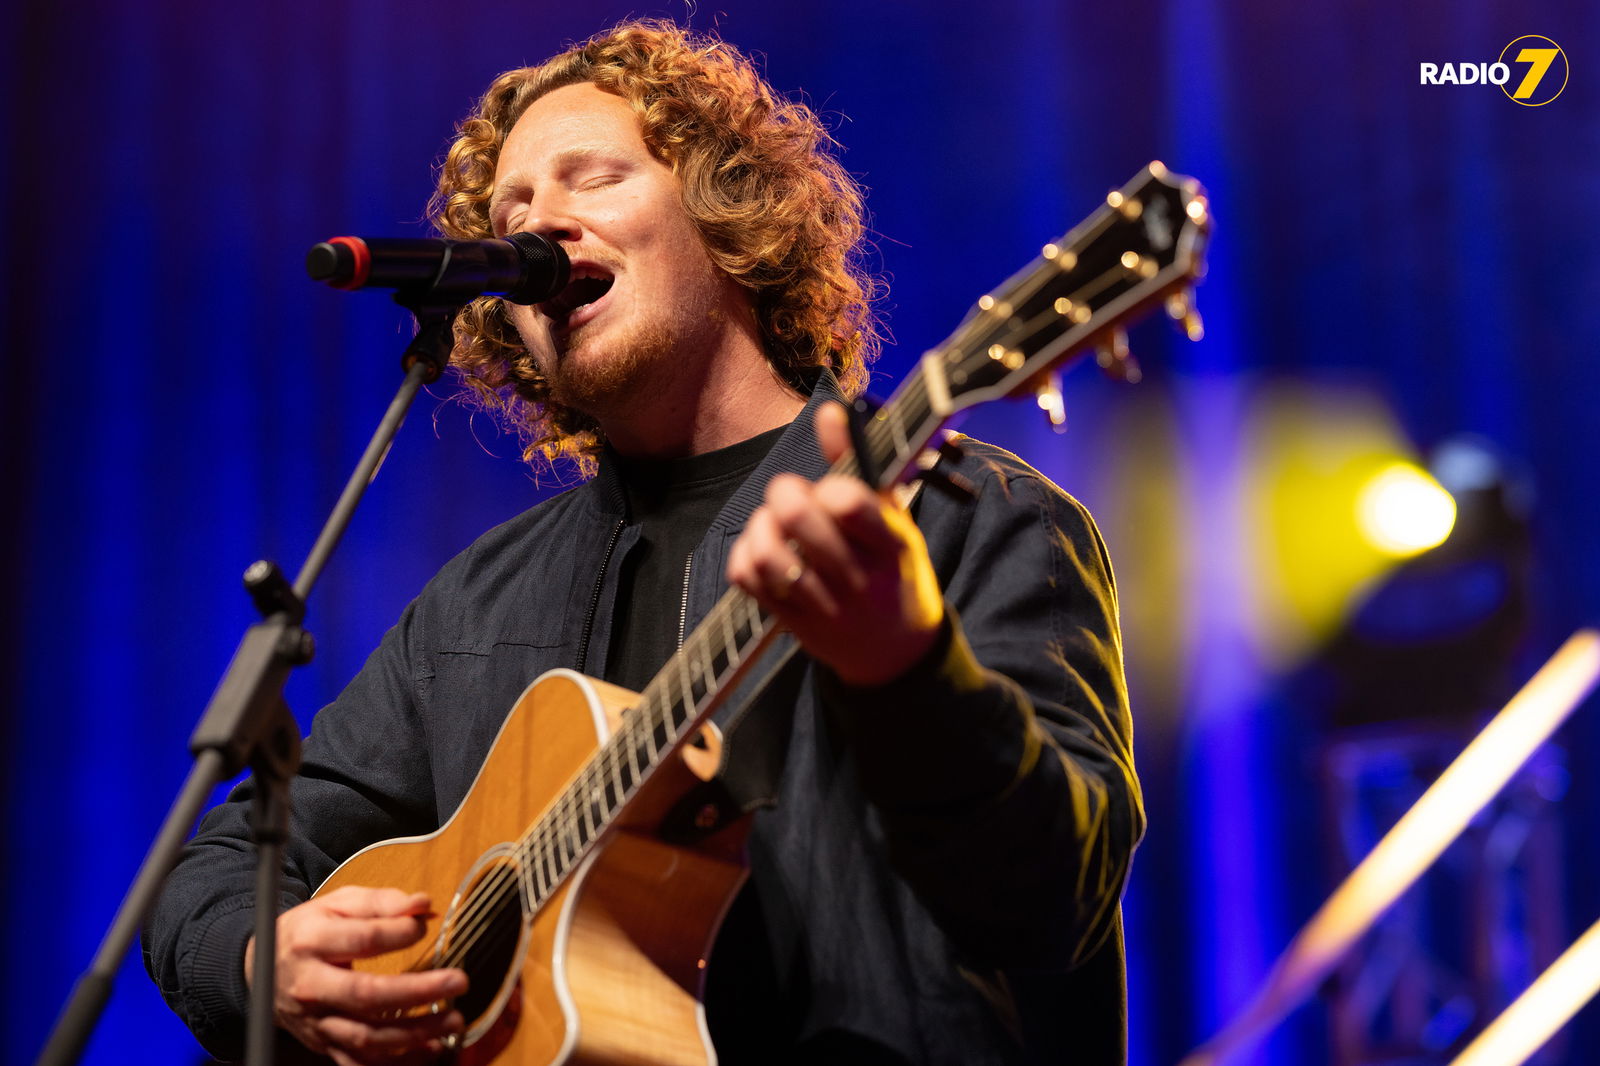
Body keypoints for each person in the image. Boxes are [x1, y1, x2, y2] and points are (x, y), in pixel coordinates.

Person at [144, 19, 1143, 1066]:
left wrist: (907, 667)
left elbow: (1054, 903)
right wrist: (263, 962)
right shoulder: (474, 607)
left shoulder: (962, 520)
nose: (541, 229)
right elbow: (220, 865)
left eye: (593, 177)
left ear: (728, 216)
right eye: (512, 213)